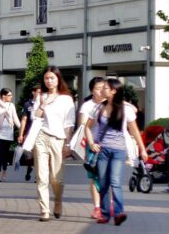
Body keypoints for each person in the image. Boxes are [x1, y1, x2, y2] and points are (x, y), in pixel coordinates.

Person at [84, 78, 148, 226]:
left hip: (119, 151)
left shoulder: (126, 110)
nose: (102, 90)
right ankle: (105, 214)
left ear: (114, 91)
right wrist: (92, 143)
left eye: (105, 88)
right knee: (103, 182)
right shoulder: (98, 108)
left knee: (115, 181)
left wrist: (142, 149)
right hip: (103, 150)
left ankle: (118, 213)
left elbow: (134, 131)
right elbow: (87, 127)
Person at [29, 66, 75, 221]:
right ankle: (44, 211)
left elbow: (69, 123)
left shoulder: (66, 98)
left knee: (57, 179)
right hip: (41, 137)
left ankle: (58, 201)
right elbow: (35, 117)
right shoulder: (41, 96)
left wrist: (68, 143)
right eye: (46, 78)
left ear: (58, 79)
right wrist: (43, 104)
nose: (49, 81)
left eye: (52, 78)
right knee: (42, 177)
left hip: (59, 139)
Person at [72, 77, 108, 220]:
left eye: (103, 88)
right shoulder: (87, 106)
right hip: (92, 144)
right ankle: (97, 207)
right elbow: (82, 126)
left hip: (108, 145)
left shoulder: (112, 104)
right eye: (98, 88)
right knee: (94, 177)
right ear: (92, 90)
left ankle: (109, 203)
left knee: (108, 176)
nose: (101, 91)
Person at [0, 88, 20, 182]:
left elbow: (15, 119)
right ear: (3, 96)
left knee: (5, 155)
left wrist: (23, 130)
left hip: (8, 133)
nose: (11, 97)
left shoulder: (11, 105)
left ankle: (4, 173)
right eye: (9, 95)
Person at [17, 86, 42, 181]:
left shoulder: (45, 104)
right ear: (33, 92)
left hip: (40, 133)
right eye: (38, 92)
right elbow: (24, 119)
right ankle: (29, 167)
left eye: (41, 92)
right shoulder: (28, 104)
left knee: (39, 154)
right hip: (29, 133)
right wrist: (21, 134)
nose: (40, 94)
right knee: (29, 155)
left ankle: (37, 175)